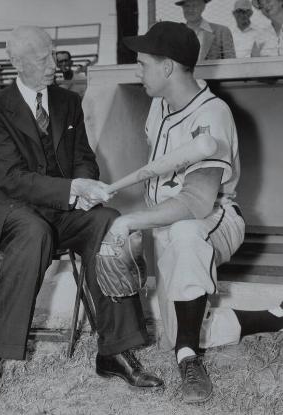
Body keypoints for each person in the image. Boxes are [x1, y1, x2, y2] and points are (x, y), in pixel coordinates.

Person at [0, 26, 163, 406]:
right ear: (16, 63)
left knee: (109, 222)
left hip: (66, 210)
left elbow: (83, 158)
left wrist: (87, 186)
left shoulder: (68, 102)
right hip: (15, 210)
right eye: (41, 60)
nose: (52, 65)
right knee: (33, 232)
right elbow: (11, 179)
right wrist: (73, 189)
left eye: (52, 55)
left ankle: (114, 352)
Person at [100, 21, 283, 404]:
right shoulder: (158, 103)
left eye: (143, 63)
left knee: (185, 234)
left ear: (167, 67)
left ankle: (190, 361)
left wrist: (130, 219)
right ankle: (272, 317)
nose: (138, 71)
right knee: (178, 329)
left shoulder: (213, 115)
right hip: (167, 222)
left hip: (215, 219)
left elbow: (197, 202)